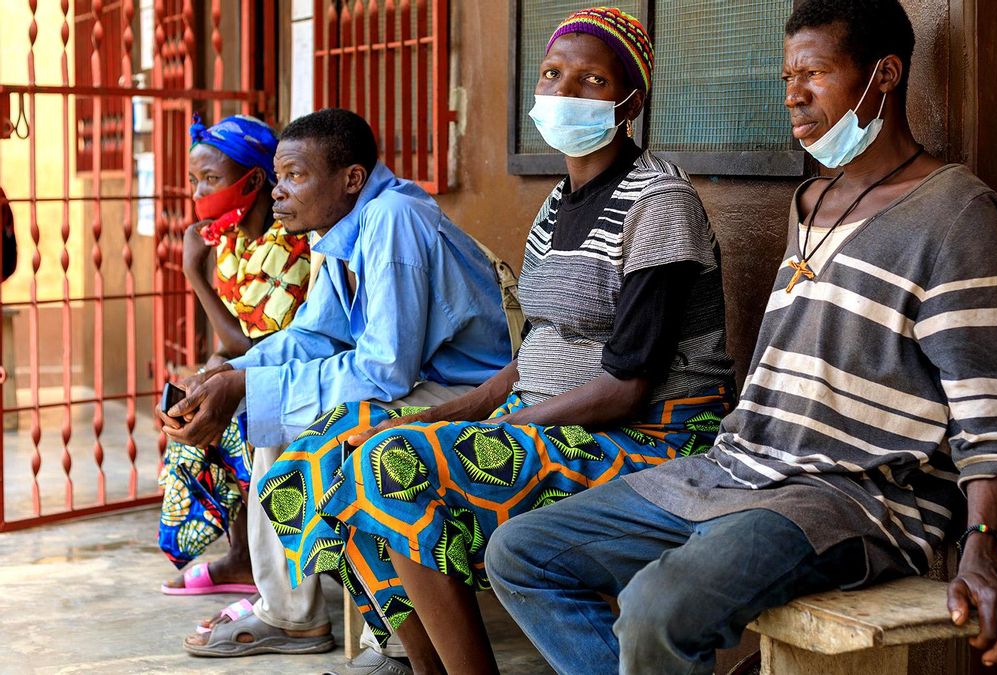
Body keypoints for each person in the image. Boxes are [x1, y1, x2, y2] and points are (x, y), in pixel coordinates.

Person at [485, 1, 997, 673]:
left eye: (815, 74)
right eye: (787, 78)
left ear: (885, 75)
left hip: (851, 495)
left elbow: (989, 410)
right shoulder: (810, 203)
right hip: (738, 468)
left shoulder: (955, 212)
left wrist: (986, 547)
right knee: (521, 552)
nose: (793, 96)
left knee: (658, 608)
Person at [259, 8, 734, 674]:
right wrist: (442, 415)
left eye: (592, 80)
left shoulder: (659, 203)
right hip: (552, 421)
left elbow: (626, 388)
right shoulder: (557, 204)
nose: (564, 90)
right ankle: (422, 663)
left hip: (646, 438)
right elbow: (532, 354)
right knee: (322, 454)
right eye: (552, 73)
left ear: (629, 103)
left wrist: (492, 428)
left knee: (391, 464)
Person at [160, 108, 513, 658]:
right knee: (272, 421)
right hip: (419, 381)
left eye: (295, 175)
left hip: (475, 395)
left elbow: (384, 369)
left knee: (327, 435)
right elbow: (316, 334)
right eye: (278, 176)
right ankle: (289, 613)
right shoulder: (342, 229)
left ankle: (393, 641)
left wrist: (250, 388)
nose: (278, 191)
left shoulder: (394, 217)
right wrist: (229, 373)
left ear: (351, 178)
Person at [158, 114, 310, 599]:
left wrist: (194, 276)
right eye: (194, 180)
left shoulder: (290, 245)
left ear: (254, 180)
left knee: (227, 419)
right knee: (188, 406)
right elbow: (233, 341)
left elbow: (256, 347)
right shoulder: (232, 239)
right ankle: (242, 555)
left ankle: (257, 563)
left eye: (210, 178)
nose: (199, 192)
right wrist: (208, 370)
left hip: (292, 376)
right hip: (252, 368)